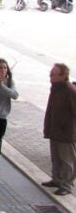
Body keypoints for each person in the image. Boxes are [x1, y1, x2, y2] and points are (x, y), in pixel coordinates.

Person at [42, 63, 76, 196]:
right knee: (56, 158)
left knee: (67, 161)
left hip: (66, 133)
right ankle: (57, 180)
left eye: (53, 74)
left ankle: (67, 185)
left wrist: (66, 125)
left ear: (63, 76)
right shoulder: (56, 88)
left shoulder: (70, 90)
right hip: (54, 130)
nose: (50, 76)